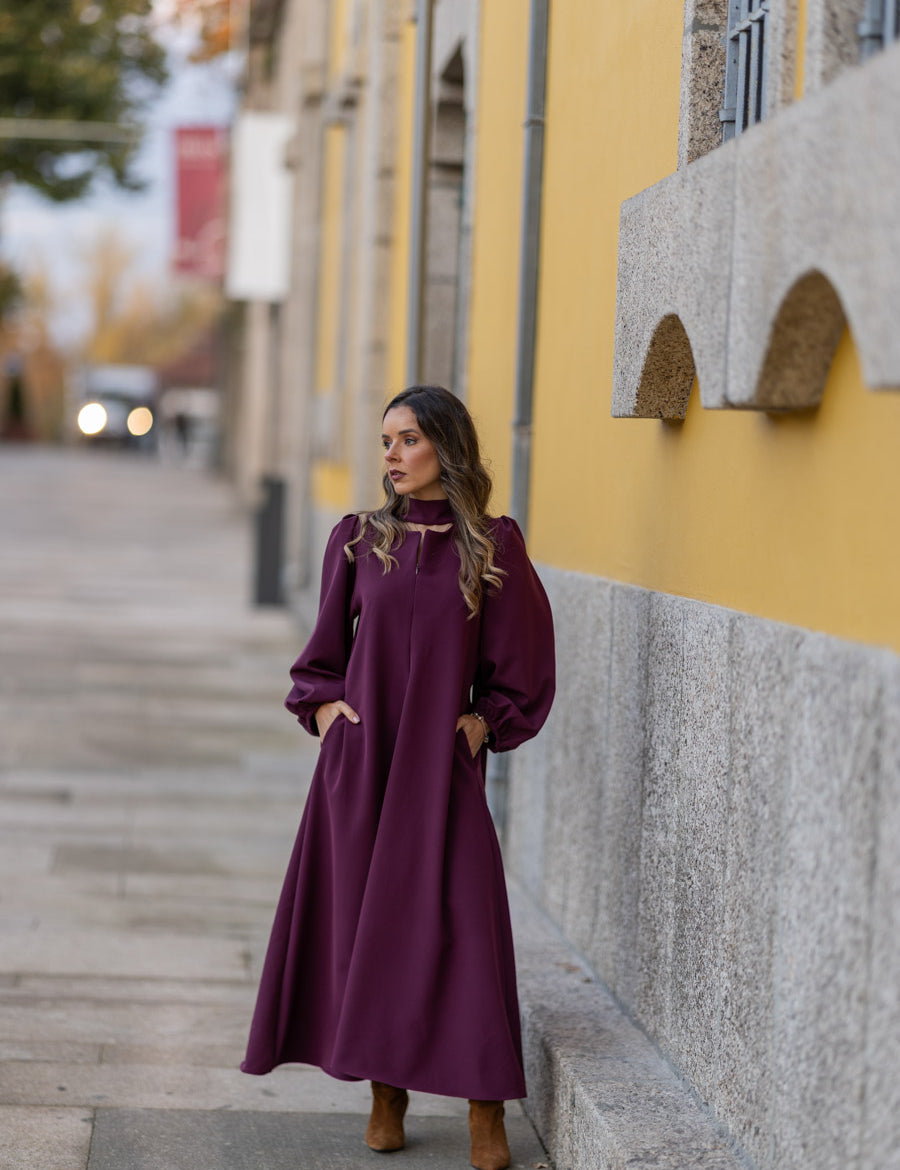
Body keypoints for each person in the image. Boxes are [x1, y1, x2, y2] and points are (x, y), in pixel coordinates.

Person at [241, 385, 555, 1170]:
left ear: (447, 446)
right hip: (364, 767)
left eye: (408, 439)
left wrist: (486, 723)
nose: (391, 454)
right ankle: (387, 1094)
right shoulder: (358, 539)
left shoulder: (494, 545)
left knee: (467, 930)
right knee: (368, 927)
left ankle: (486, 1106)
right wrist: (324, 712)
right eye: (386, 441)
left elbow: (522, 663)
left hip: (442, 769)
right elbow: (321, 655)